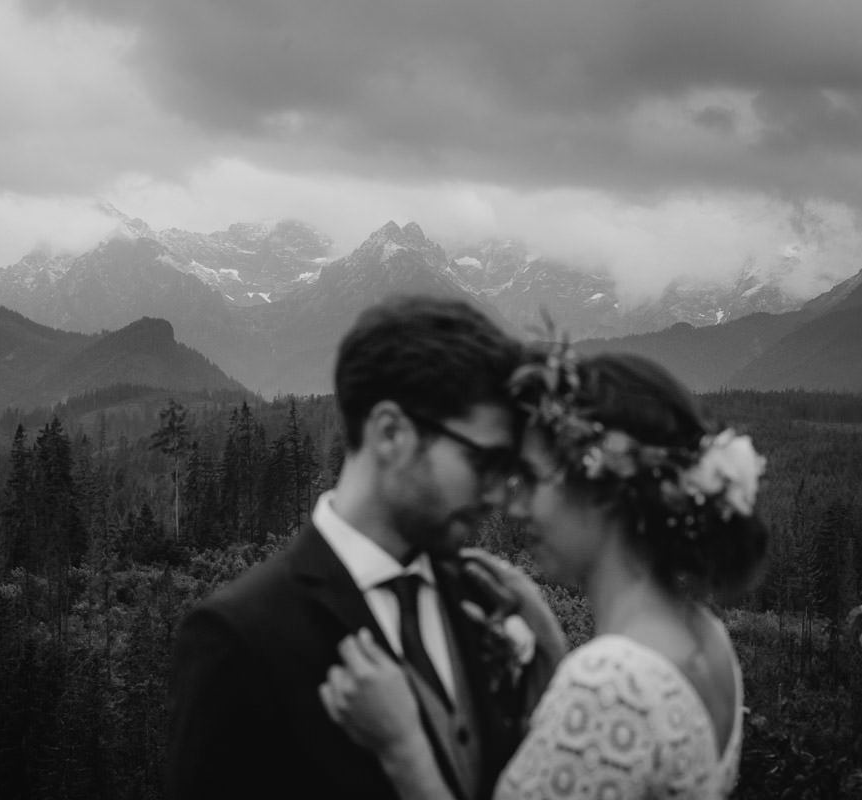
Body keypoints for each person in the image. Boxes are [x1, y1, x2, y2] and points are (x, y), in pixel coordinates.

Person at [321, 344, 769, 800]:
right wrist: (550, 643)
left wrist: (403, 747)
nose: (515, 506)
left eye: (532, 479)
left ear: (601, 489)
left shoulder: (608, 683)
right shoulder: (707, 639)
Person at [167, 295, 567, 800]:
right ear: (390, 433)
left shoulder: (486, 602)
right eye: (482, 463)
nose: (496, 496)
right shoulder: (237, 638)